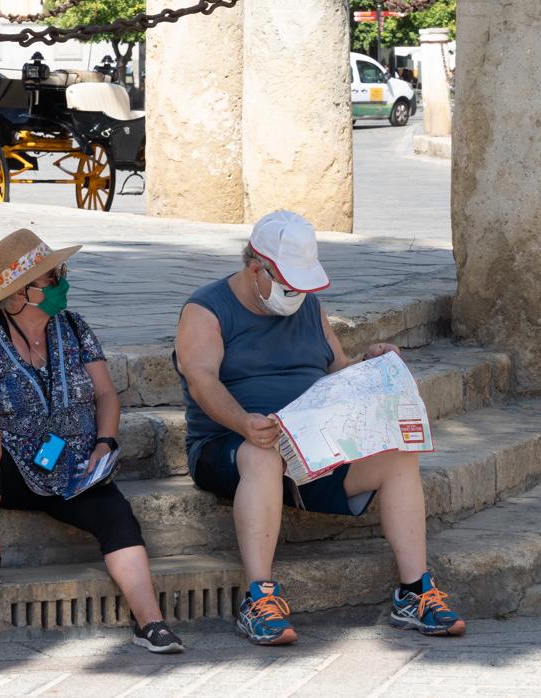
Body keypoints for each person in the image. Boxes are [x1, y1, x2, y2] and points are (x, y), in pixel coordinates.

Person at [173, 210, 466, 646]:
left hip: (311, 446)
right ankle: (258, 598)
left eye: (304, 286)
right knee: (262, 453)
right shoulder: (206, 310)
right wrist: (244, 423)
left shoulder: (308, 305)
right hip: (231, 445)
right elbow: (202, 382)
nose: (298, 294)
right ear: (257, 269)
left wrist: (371, 365)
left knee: (400, 455)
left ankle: (414, 592)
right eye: (290, 285)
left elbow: (336, 371)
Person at [0, 228, 183, 654]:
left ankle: (150, 622)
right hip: (16, 464)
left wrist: (105, 442)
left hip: (75, 465)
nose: (62, 282)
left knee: (118, 517)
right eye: (52, 277)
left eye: (60, 272)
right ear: (22, 293)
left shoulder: (75, 327)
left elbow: (105, 394)